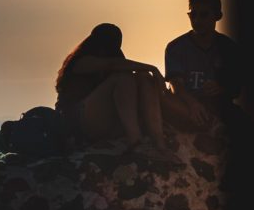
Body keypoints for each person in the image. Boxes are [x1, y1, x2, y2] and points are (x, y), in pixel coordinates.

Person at [55, 23, 177, 161]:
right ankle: (135, 141)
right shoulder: (81, 61)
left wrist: (149, 75)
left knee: (143, 77)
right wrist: (152, 68)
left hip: (109, 121)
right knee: (123, 78)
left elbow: (121, 67)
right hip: (80, 121)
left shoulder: (116, 59)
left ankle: (159, 144)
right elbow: (112, 64)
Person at [162, 0, 244, 131]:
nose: (197, 20)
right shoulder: (176, 47)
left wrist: (221, 87)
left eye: (204, 14)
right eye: (193, 14)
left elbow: (236, 88)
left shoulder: (229, 48)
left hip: (218, 107)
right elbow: (176, 85)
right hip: (185, 107)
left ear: (217, 16)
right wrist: (193, 104)